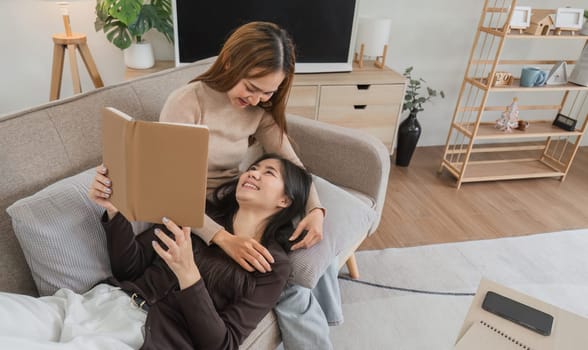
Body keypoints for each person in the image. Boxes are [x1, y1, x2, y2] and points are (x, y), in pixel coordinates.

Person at [0, 154, 312, 350]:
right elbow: (130, 269)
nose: (252, 173)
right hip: (101, 304)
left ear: (285, 201)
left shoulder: (272, 265)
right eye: (253, 168)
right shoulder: (198, 216)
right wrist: (114, 211)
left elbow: (223, 343)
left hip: (144, 337)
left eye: (268, 172)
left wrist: (189, 275)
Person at [159, 21, 342, 349]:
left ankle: (325, 319)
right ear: (231, 63)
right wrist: (223, 239)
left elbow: (294, 166)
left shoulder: (260, 111)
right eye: (252, 87)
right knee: (286, 283)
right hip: (196, 209)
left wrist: (316, 210)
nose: (258, 99)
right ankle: (324, 322)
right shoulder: (188, 103)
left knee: (308, 236)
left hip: (236, 198)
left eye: (268, 92)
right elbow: (168, 191)